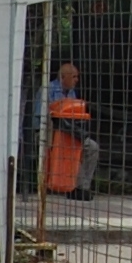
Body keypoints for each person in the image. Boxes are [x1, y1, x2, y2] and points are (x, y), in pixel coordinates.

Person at [46, 60, 100, 201]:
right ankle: (70, 185)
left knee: (92, 147)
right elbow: (40, 117)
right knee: (71, 147)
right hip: (50, 131)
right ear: (63, 77)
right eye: (74, 77)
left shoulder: (72, 93)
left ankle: (82, 187)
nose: (77, 80)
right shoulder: (48, 90)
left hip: (70, 132)